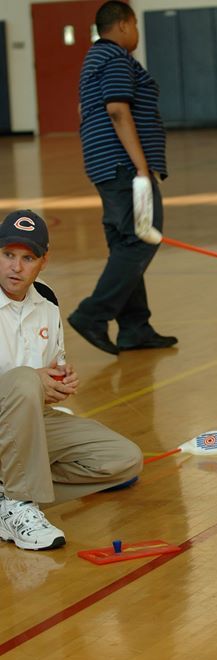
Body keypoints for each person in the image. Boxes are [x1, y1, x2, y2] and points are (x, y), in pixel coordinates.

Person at [0, 209, 143, 551]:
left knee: (122, 459)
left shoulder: (46, 300)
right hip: (11, 411)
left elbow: (50, 367)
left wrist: (58, 382)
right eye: (7, 255)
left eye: (27, 258)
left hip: (26, 422)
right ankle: (19, 503)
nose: (15, 267)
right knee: (22, 381)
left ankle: (8, 497)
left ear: (43, 261)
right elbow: (23, 383)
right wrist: (32, 382)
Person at [68, 0, 177, 355]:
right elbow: (117, 109)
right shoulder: (114, 58)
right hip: (124, 167)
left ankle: (135, 328)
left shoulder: (94, 60)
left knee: (125, 242)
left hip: (107, 167)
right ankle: (93, 315)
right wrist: (141, 168)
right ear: (126, 24)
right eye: (135, 25)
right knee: (142, 239)